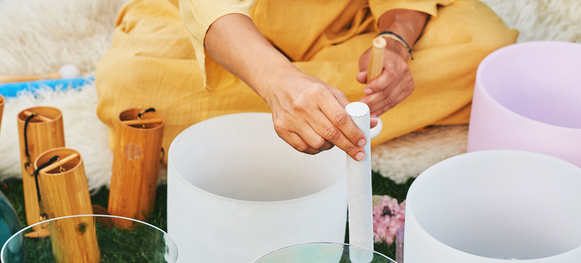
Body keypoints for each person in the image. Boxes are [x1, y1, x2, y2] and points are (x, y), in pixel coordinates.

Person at [96, 0, 517, 162]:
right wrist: (277, 80)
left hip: (354, 21)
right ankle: (303, 100)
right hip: (225, 33)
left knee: (487, 51)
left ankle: (310, 103)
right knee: (130, 89)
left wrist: (395, 40)